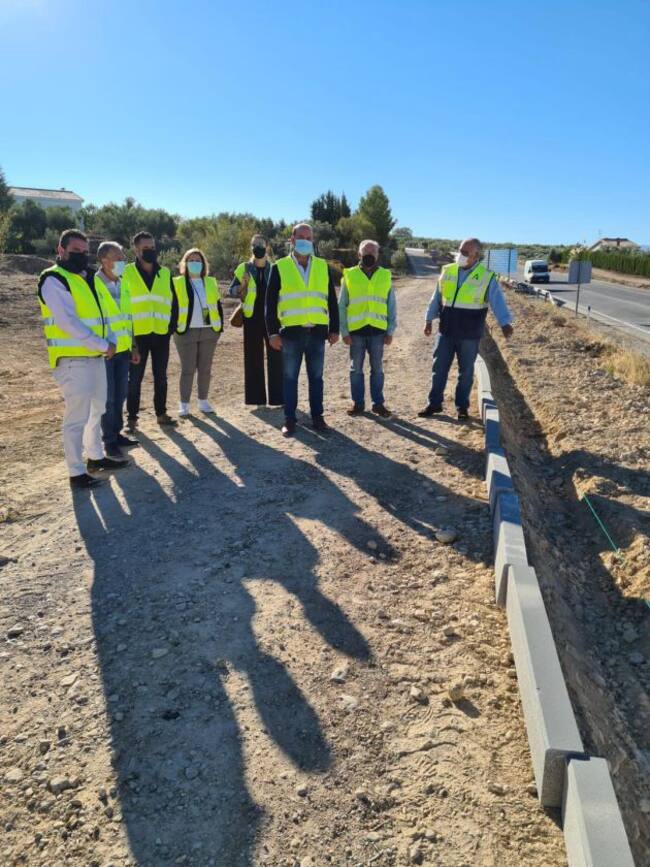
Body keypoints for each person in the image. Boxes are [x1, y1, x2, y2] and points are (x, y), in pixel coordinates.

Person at [37, 229, 129, 489]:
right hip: (72, 360)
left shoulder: (88, 278)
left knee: (97, 410)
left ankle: (96, 457)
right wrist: (103, 344)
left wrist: (109, 343)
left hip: (95, 357)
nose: (80, 255)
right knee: (76, 417)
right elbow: (68, 322)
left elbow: (104, 315)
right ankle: (76, 472)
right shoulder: (53, 279)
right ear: (61, 250)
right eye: (75, 250)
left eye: (84, 251)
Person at [419, 237, 514, 420]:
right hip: (446, 331)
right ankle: (434, 404)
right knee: (439, 369)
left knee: (466, 372)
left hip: (469, 334)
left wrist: (504, 322)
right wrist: (428, 319)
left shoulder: (486, 276)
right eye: (460, 250)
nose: (460, 255)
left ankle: (462, 407)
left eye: (465, 252)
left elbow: (497, 301)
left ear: (476, 255)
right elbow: (437, 297)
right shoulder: (448, 270)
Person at [265, 223, 340, 437]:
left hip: (317, 333)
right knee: (290, 378)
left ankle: (318, 417)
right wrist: (272, 333)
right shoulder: (279, 267)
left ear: (313, 241)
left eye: (309, 238)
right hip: (291, 334)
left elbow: (331, 300)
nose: (305, 241)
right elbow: (270, 304)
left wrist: (334, 328)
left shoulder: (322, 266)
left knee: (316, 378)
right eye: (301, 237)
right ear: (292, 240)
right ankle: (290, 419)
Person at [123, 231, 178, 429]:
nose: (150, 251)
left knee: (161, 377)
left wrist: (170, 328)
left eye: (152, 247)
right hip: (137, 336)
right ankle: (132, 418)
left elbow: (174, 302)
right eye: (146, 248)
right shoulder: (126, 273)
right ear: (136, 250)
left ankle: (161, 414)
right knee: (134, 379)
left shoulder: (165, 273)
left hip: (161, 335)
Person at [339, 239, 397, 417]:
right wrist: (344, 331)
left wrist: (390, 330)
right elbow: (342, 306)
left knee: (377, 370)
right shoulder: (349, 275)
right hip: (356, 332)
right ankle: (358, 404)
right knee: (356, 369)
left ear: (378, 255)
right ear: (359, 254)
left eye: (373, 253)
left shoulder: (385, 275)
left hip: (378, 332)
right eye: (366, 253)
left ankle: (378, 404)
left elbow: (391, 305)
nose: (369, 255)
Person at [95, 241, 140, 458]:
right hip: (105, 351)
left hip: (122, 349)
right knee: (108, 398)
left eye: (123, 258)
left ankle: (117, 432)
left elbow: (128, 318)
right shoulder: (94, 284)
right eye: (118, 258)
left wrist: (133, 346)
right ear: (104, 260)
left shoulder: (123, 284)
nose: (122, 262)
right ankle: (109, 440)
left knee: (120, 394)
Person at [228, 234, 283, 407]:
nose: (258, 246)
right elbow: (231, 291)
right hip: (251, 318)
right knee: (253, 358)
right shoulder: (244, 268)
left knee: (276, 356)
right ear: (251, 247)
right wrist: (241, 285)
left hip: (272, 318)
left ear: (267, 246)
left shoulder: (275, 268)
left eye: (261, 243)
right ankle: (256, 399)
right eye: (255, 244)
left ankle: (278, 398)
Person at [172, 248, 224, 416]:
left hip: (209, 331)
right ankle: (184, 404)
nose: (195, 263)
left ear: (203, 264)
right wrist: (173, 327)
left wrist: (219, 327)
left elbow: (217, 305)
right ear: (185, 263)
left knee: (205, 369)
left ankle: (203, 401)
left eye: (198, 260)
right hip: (185, 331)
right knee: (188, 369)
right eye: (191, 260)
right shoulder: (176, 282)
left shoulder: (211, 282)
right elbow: (172, 307)